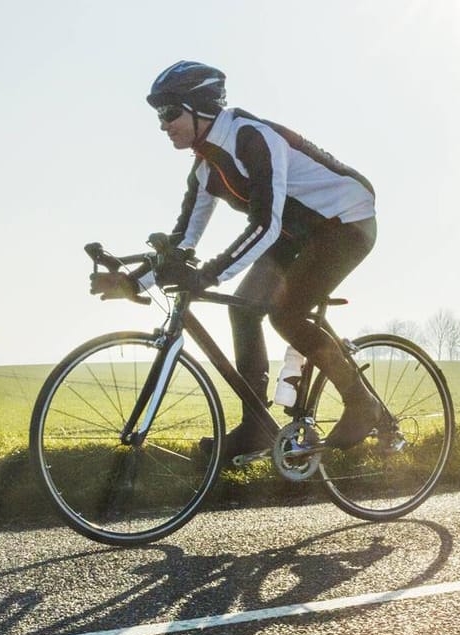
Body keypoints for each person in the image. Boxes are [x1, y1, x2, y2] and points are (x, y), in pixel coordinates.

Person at [92, 60, 393, 458]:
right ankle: (257, 427)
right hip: (296, 232)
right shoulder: (205, 168)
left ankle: (362, 404)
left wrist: (209, 275)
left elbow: (264, 224)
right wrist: (134, 283)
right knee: (244, 311)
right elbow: (181, 243)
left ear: (199, 107)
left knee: (286, 314)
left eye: (168, 113)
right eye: (159, 117)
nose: (163, 125)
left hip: (345, 222)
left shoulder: (251, 138)